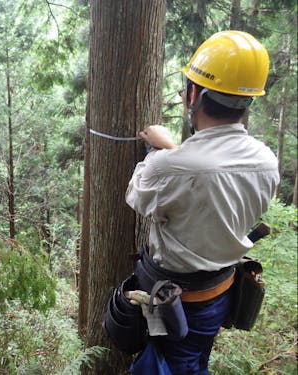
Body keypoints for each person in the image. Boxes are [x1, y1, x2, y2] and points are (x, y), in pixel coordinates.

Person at [125, 30, 280, 374]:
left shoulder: (171, 166)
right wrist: (176, 155)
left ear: (194, 93)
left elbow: (137, 194)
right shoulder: (266, 160)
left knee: (170, 365)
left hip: (175, 301)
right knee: (195, 357)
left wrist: (167, 151)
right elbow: (208, 178)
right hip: (218, 295)